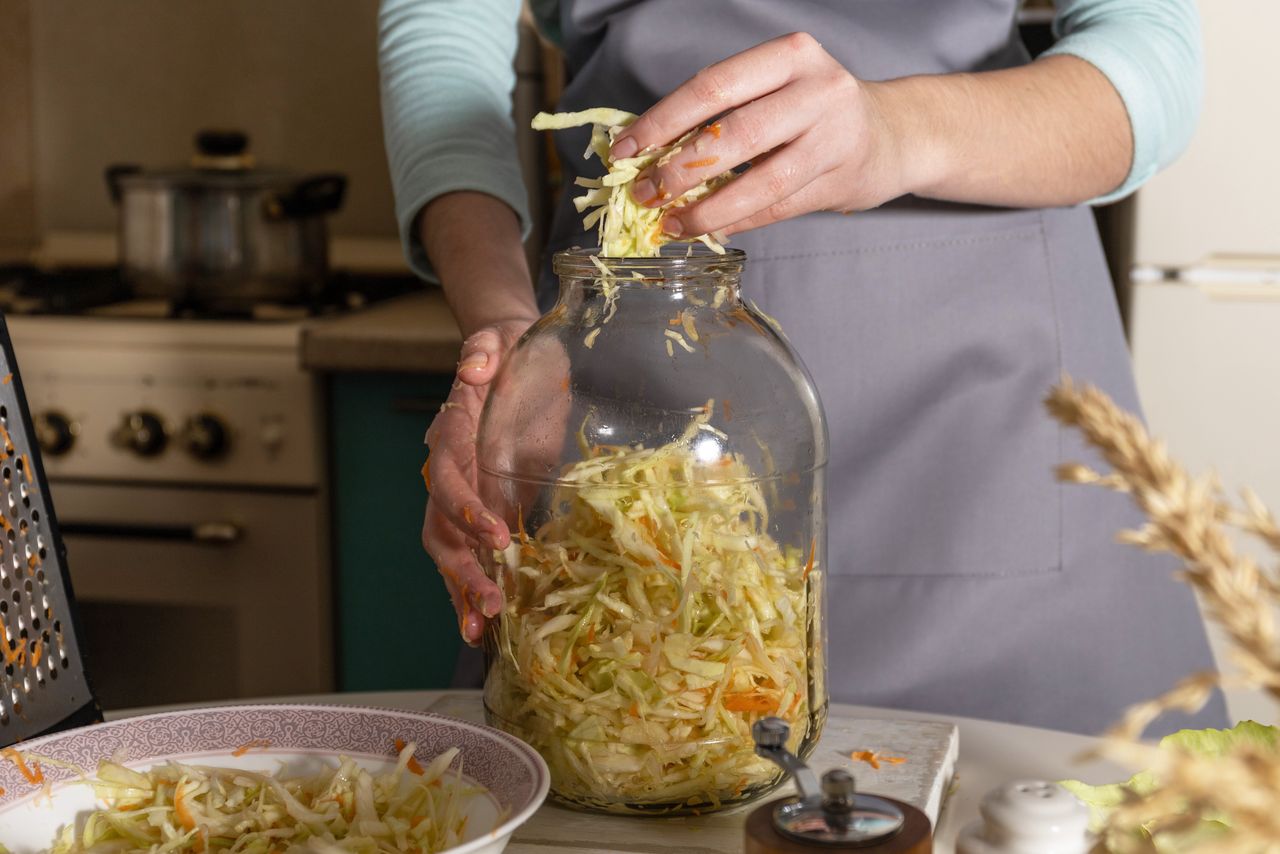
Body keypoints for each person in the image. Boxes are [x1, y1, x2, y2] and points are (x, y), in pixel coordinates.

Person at [378, 0, 1227, 735]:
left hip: (989, 419)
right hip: (625, 355)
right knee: (626, 759)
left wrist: (895, 132)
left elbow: (1151, 60)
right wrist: (508, 332)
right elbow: (444, 33)